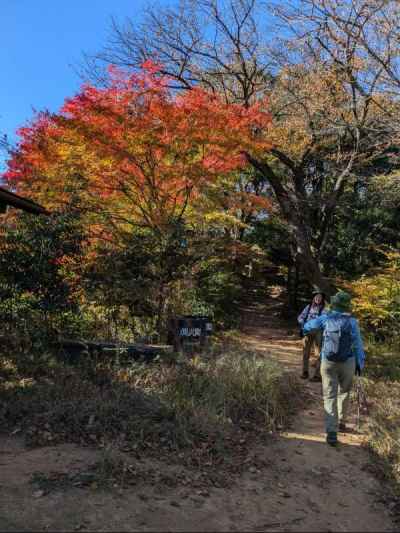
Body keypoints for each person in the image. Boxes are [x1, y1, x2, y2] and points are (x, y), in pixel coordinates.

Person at [303, 291, 365, 447]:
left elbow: (308, 326)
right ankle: (342, 422)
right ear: (347, 306)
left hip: (328, 362)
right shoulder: (352, 322)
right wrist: (360, 364)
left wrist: (305, 329)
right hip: (348, 362)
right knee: (344, 392)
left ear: (334, 304)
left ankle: (331, 432)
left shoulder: (326, 318)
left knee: (329, 395)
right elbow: (358, 345)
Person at [297, 290, 326, 382]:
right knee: (306, 352)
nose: (318, 298)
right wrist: (303, 323)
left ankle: (317, 375)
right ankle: (305, 372)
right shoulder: (308, 307)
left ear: (322, 299)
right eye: (316, 297)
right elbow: (300, 317)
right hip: (307, 331)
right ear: (313, 298)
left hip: (318, 332)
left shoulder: (324, 309)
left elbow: (325, 322)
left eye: (320, 297)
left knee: (318, 354)